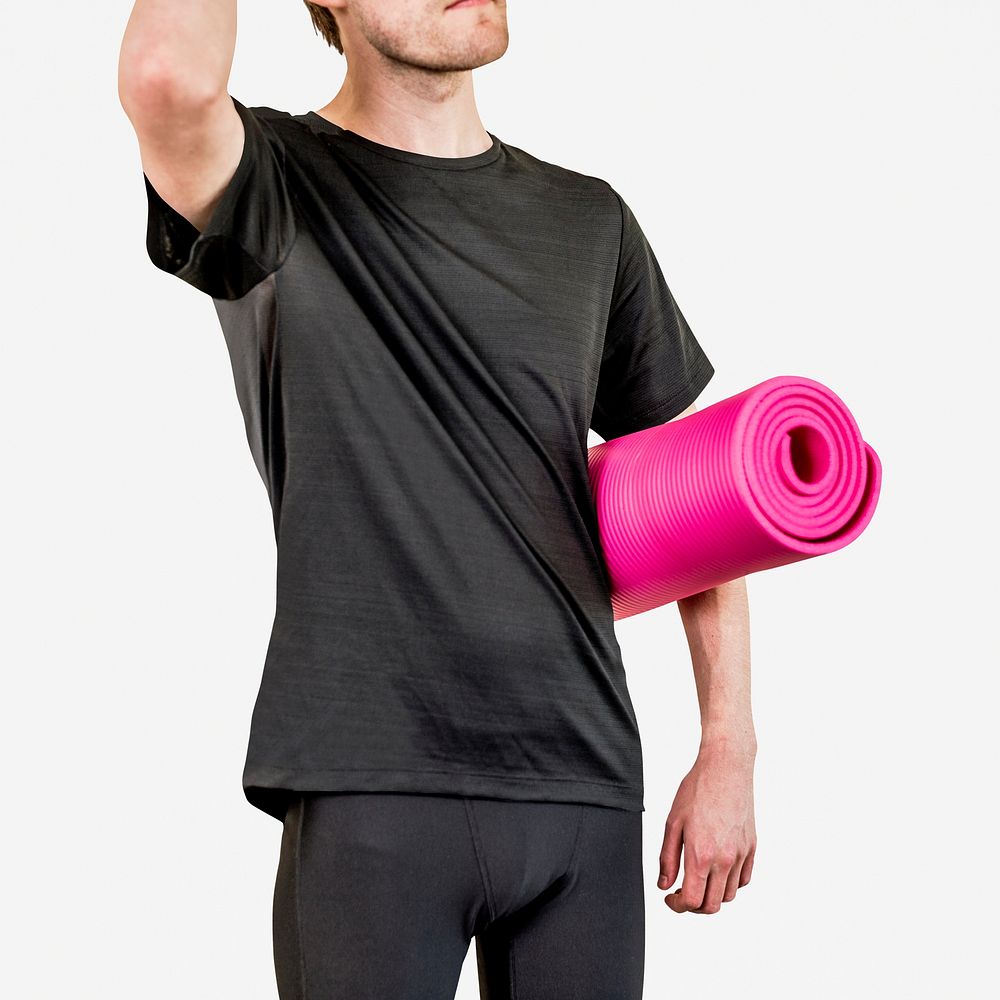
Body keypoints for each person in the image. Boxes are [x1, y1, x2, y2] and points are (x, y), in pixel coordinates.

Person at [118, 1, 757, 996]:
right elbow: (166, 78)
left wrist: (727, 747)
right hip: (372, 781)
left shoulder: (589, 221)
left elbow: (700, 499)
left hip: (580, 785)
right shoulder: (271, 185)